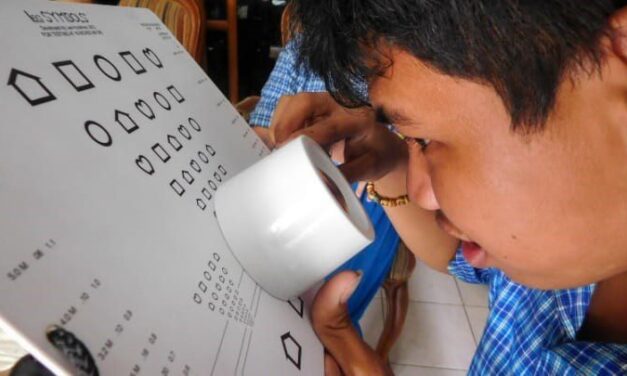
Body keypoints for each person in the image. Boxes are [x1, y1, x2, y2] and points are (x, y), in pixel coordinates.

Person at [268, 1, 627, 374]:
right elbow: (454, 255)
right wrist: (388, 158)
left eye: (424, 140)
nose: (421, 192)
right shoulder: (569, 243)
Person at [246, 39, 407, 331]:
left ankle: (326, 331)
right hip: (293, 172)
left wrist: (378, 155)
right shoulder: (301, 50)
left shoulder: (411, 54)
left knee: (371, 203)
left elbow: (410, 147)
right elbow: (263, 128)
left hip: (372, 191)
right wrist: (280, 139)